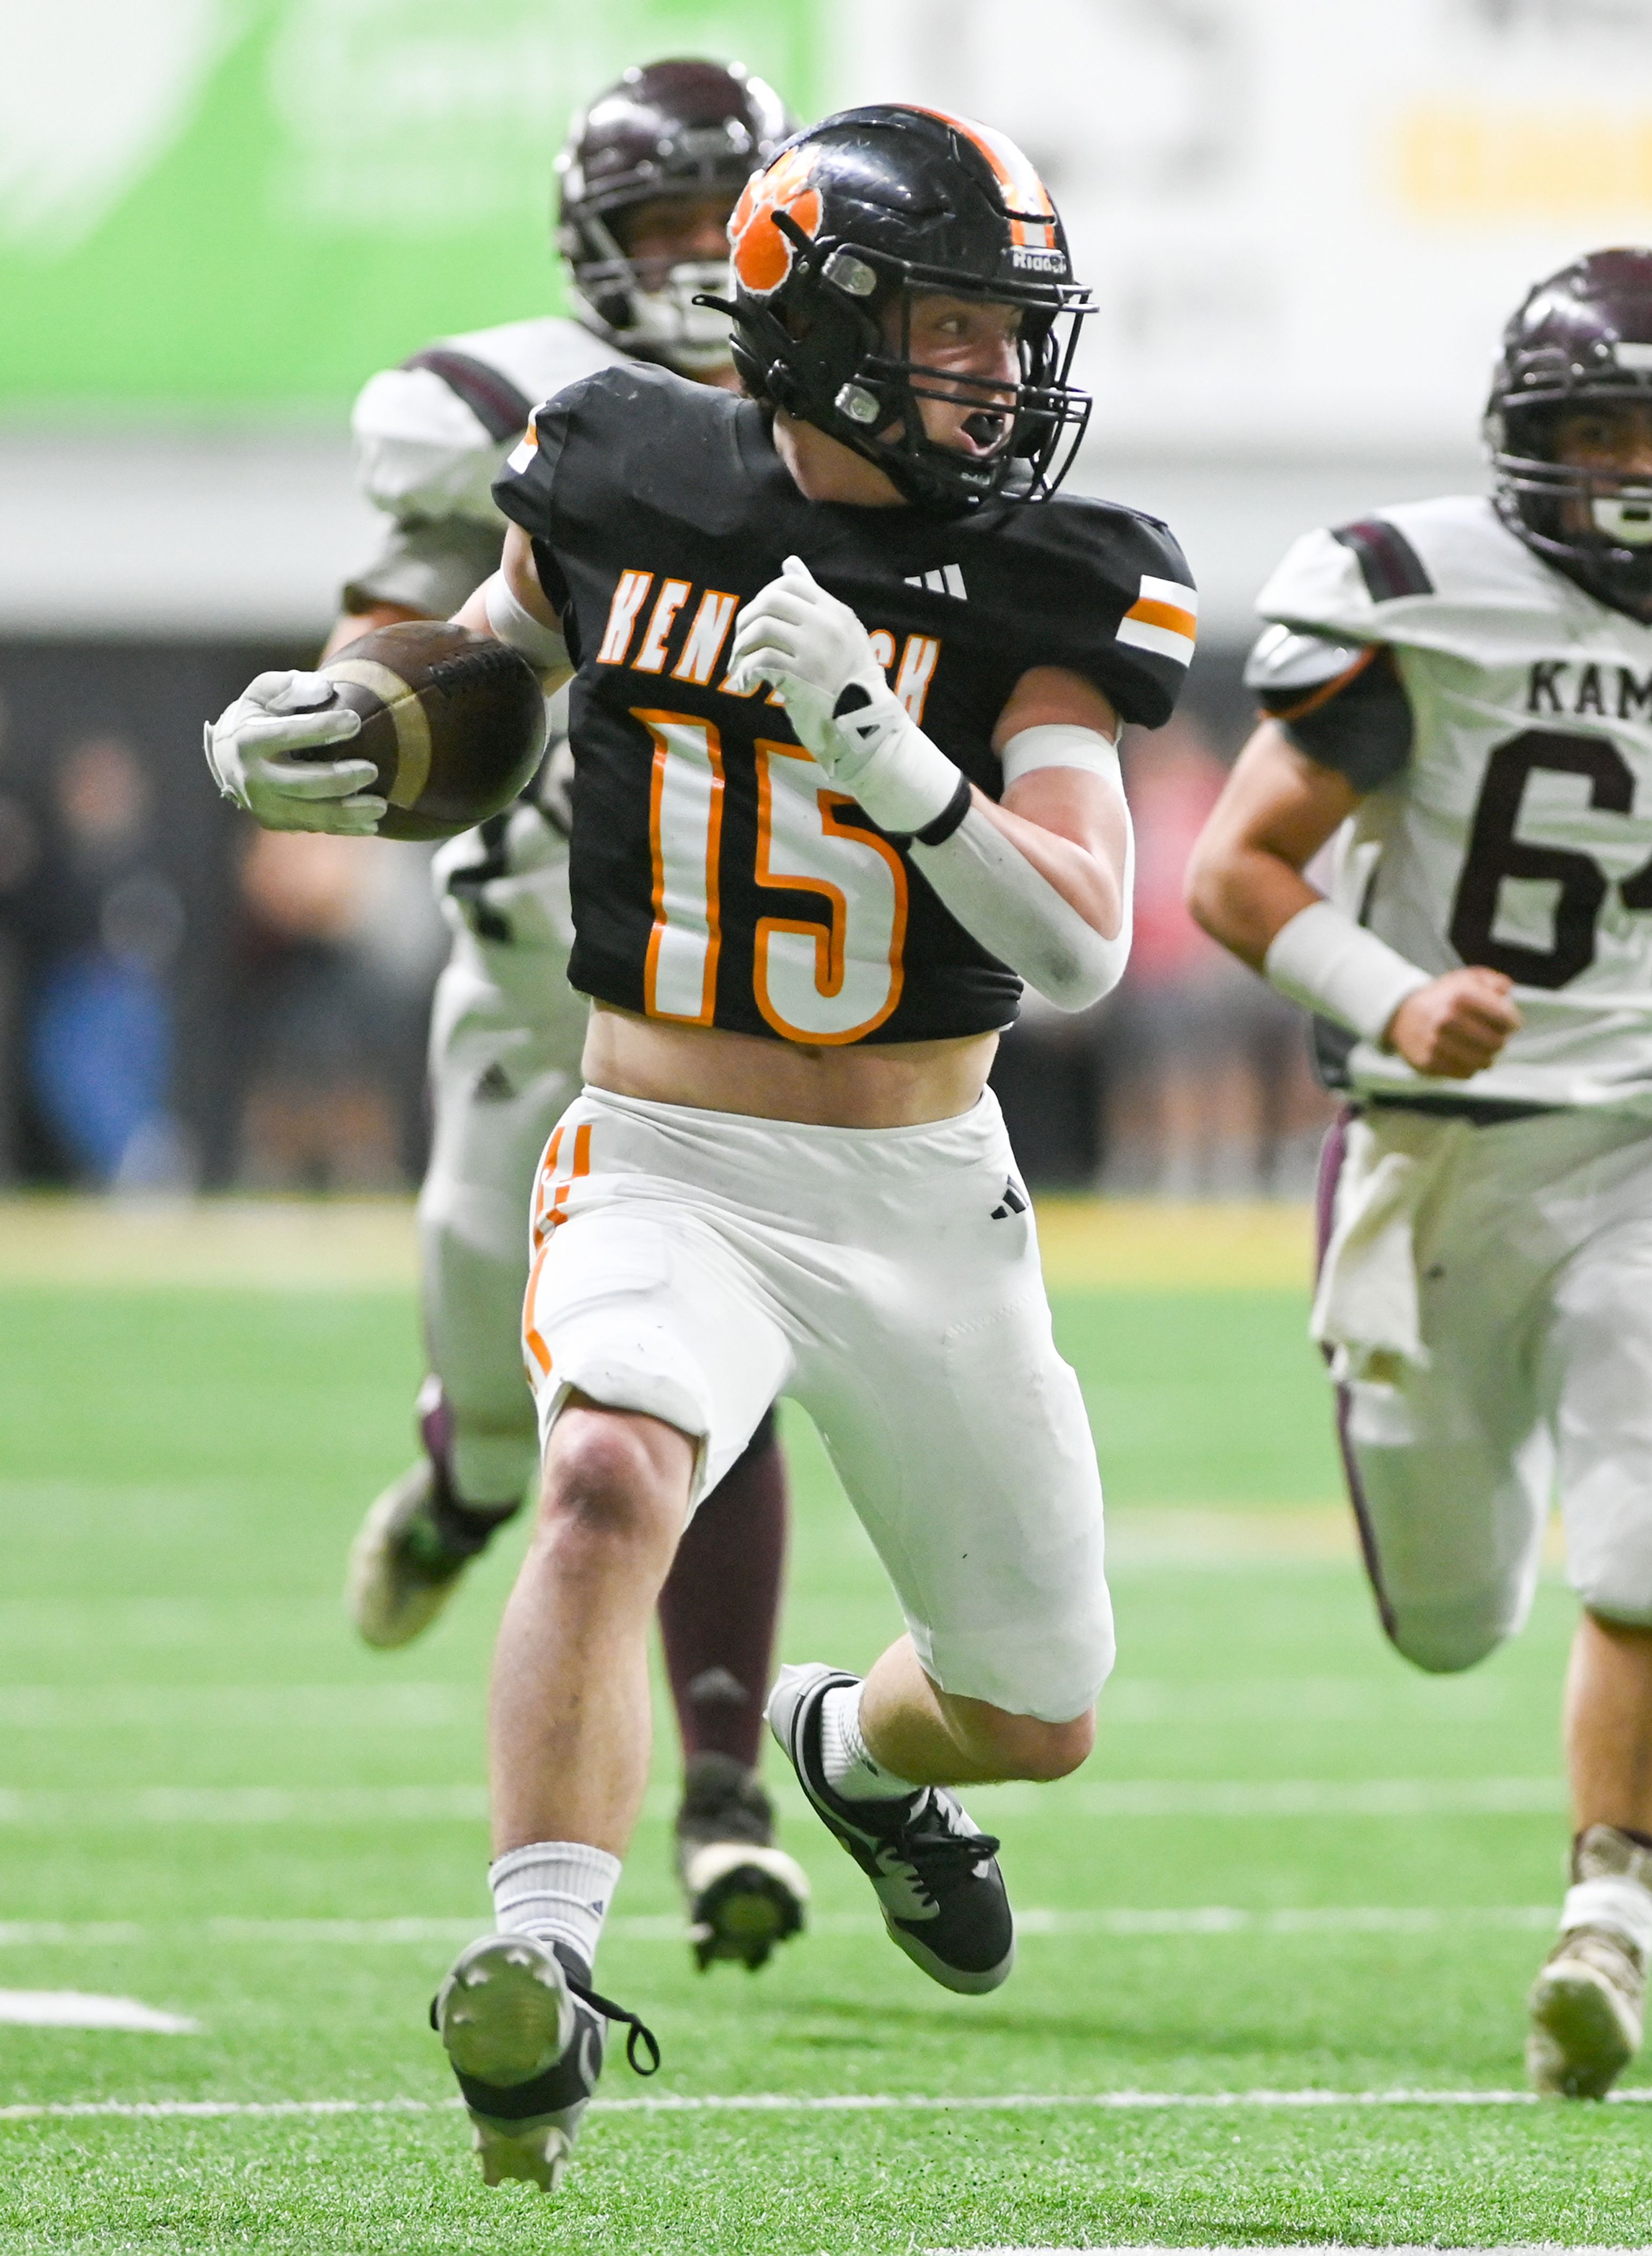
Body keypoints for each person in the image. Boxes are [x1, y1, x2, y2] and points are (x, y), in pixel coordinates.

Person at [212, 103, 1194, 2190]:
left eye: (1012, 332)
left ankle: (847, 1748)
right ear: (824, 323)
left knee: (1037, 1707)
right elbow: (493, 665)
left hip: (929, 1195)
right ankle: (540, 1966)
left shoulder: (1052, 569)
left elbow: (1088, 939)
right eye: (953, 328)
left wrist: (891, 751)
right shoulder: (617, 467)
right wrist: (350, 725)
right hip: (667, 1149)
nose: (1000, 375)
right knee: (599, 1471)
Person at [1186, 248, 1652, 2100]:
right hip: (1429, 1170)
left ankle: (1612, 1925)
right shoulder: (1418, 598)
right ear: (1530, 440)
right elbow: (1234, 875)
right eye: (1603, 424)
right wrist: (1393, 993)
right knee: (1451, 1621)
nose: (1645, 460)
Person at [205, 60, 812, 1973]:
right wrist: (342, 728)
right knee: (494, 1354)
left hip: (740, 982)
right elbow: (391, 631)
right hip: (534, 970)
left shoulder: (855, 405)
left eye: (729, 221)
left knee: (698, 1372)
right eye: (662, 229)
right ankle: (466, 1486)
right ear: (587, 247)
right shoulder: (485, 411)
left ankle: (726, 1789)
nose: (701, 269)